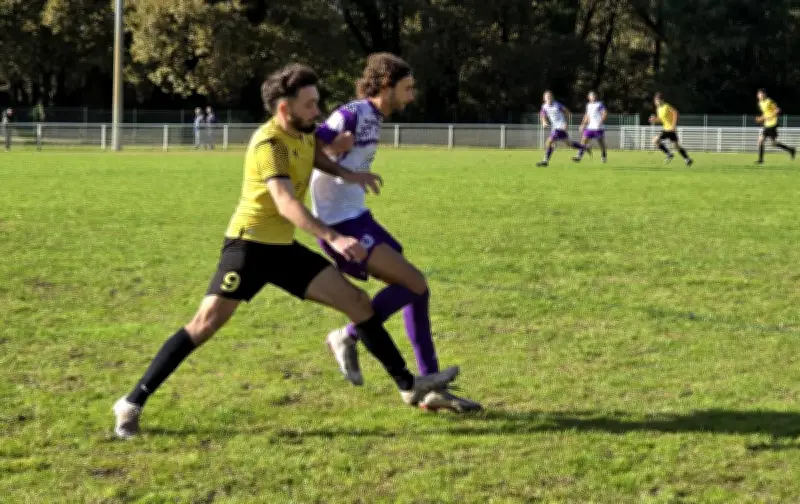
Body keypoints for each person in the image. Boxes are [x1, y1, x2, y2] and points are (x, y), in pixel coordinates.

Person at [112, 63, 460, 439]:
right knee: (205, 324)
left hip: (283, 250)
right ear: (284, 108)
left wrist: (349, 173)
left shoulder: (304, 133)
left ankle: (408, 385)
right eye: (310, 105)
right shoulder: (269, 144)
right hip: (248, 248)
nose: (318, 112)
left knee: (357, 302)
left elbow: (317, 157)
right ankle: (131, 402)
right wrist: (335, 237)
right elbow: (284, 203)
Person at [312, 53, 481, 413]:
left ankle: (430, 385)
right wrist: (333, 149)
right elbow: (307, 140)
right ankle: (346, 335)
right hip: (339, 224)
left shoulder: (375, 117)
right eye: (408, 88)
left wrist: (351, 173)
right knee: (414, 282)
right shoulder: (352, 113)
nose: (412, 95)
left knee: (417, 291)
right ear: (387, 84)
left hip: (357, 215)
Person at [536, 91, 589, 167]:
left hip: (560, 127)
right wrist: (544, 122)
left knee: (549, 142)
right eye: (547, 97)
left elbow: (567, 112)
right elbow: (542, 115)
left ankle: (545, 161)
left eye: (550, 97)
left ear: (552, 97)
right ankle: (585, 147)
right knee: (568, 144)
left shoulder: (557, 105)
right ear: (544, 98)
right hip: (555, 127)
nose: (549, 98)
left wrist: (566, 123)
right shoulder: (544, 106)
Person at [649, 93, 693, 166]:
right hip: (669, 129)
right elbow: (661, 119)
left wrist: (673, 125)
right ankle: (687, 159)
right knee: (676, 146)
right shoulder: (658, 109)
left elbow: (675, 113)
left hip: (669, 129)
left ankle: (669, 154)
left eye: (657, 100)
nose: (656, 102)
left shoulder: (666, 106)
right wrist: (655, 120)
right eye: (655, 100)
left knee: (655, 140)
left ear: (661, 100)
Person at [755, 89, 795, 164]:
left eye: (762, 94)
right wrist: (761, 118)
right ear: (758, 96)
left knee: (767, 142)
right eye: (760, 94)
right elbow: (765, 113)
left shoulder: (769, 101)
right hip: (767, 124)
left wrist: (771, 116)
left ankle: (761, 160)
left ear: (765, 94)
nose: (761, 95)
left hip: (773, 124)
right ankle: (790, 150)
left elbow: (778, 110)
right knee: (764, 141)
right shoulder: (760, 103)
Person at [573, 91, 607, 163]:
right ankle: (579, 156)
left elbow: (604, 113)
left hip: (598, 127)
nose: (593, 97)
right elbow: (586, 116)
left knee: (600, 142)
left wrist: (600, 122)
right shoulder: (588, 105)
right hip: (590, 127)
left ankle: (603, 155)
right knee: (583, 140)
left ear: (596, 97)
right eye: (592, 96)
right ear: (589, 97)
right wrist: (582, 125)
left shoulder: (599, 104)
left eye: (594, 95)